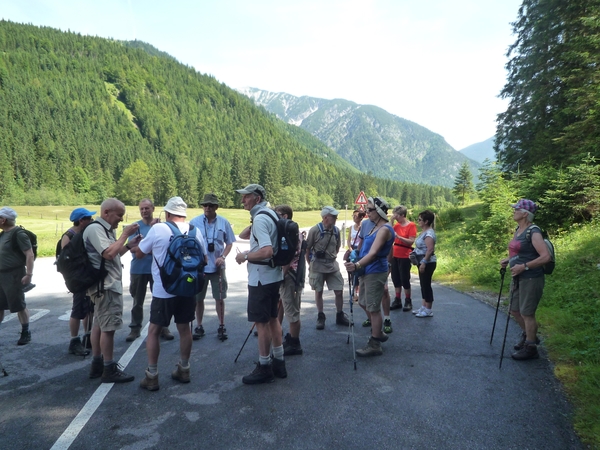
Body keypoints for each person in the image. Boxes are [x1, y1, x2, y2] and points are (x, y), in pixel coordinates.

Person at [134, 196, 207, 390]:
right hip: (187, 289)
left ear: (167, 213)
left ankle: (152, 375)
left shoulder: (158, 229)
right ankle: (184, 369)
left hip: (163, 290)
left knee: (154, 331)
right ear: (183, 214)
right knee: (185, 329)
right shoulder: (195, 231)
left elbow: (140, 253)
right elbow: (204, 260)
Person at [85, 198, 141, 383]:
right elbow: (108, 254)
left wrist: (127, 246)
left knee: (99, 325)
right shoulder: (95, 229)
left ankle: (97, 364)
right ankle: (108, 369)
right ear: (106, 212)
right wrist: (124, 235)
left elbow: (112, 253)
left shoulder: (105, 230)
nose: (120, 219)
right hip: (107, 287)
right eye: (119, 215)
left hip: (105, 286)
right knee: (108, 329)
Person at [234, 184, 286, 385]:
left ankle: (264, 366)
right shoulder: (269, 214)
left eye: (246, 197)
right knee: (273, 319)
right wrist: (254, 220)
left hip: (260, 279)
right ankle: (279, 362)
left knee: (262, 323)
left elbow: (267, 251)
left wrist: (245, 255)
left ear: (256, 198)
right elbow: (244, 235)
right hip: (273, 276)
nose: (242, 201)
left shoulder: (262, 218)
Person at [500, 199, 550, 361]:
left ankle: (531, 347)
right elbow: (519, 251)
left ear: (524, 214)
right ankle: (529, 335)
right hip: (517, 276)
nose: (513, 211)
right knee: (514, 310)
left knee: (527, 312)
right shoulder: (518, 229)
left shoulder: (533, 231)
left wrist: (524, 267)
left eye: (516, 209)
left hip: (531, 278)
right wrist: (509, 260)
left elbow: (545, 257)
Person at [344, 197, 394, 356]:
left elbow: (373, 254)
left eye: (370, 210)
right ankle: (378, 332)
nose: (366, 212)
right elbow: (363, 246)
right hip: (366, 270)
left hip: (375, 270)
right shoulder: (373, 226)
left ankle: (375, 343)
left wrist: (357, 265)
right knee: (364, 302)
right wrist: (353, 255)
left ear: (379, 212)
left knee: (372, 307)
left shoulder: (384, 229)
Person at [126, 199, 173, 342]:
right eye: (141, 209)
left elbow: (166, 247)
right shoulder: (134, 228)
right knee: (137, 301)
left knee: (161, 299)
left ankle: (163, 327)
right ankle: (135, 328)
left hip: (157, 270)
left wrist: (144, 247)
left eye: (147, 208)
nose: (144, 211)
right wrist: (150, 247)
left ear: (153, 208)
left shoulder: (162, 227)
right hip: (138, 269)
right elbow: (132, 249)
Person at [190, 193, 236, 341]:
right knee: (198, 299)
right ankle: (199, 325)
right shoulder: (194, 222)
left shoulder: (224, 222)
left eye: (210, 205)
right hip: (200, 268)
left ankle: (222, 325)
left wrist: (222, 257)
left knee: (220, 298)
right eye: (205, 205)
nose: (207, 208)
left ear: (216, 207)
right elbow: (189, 243)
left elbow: (229, 243)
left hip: (218, 268)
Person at [306, 206, 349, 330]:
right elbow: (307, 249)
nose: (336, 218)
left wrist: (331, 257)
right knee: (318, 291)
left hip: (332, 265)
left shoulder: (336, 230)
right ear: (325, 217)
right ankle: (321, 316)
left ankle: (339, 315)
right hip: (318, 265)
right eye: (333, 216)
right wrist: (310, 264)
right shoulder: (315, 230)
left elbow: (337, 247)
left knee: (339, 290)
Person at [62, 207, 96, 356]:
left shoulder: (83, 233)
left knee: (88, 308)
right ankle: (74, 341)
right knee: (77, 310)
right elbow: (66, 260)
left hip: (86, 277)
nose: (92, 220)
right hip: (78, 279)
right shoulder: (68, 236)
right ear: (81, 221)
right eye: (89, 218)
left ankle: (87, 336)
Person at [0, 207, 34, 346]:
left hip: (14, 274)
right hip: (1, 275)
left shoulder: (18, 234)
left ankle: (25, 332)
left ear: (4, 220)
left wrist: (29, 274)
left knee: (18, 304)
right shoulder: (2, 235)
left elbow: (29, 254)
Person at [274, 204, 304, 356]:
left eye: (277, 214)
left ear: (285, 216)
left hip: (290, 275)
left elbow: (289, 257)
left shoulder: (290, 233)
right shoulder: (288, 231)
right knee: (283, 305)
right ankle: (286, 336)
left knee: (292, 310)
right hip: (289, 275)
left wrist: (281, 275)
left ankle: (294, 343)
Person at [389, 205, 417, 312]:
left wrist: (399, 237)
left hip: (405, 254)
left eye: (396, 215)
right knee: (395, 278)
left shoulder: (411, 226)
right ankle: (397, 299)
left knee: (404, 278)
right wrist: (391, 221)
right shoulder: (396, 225)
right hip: (395, 254)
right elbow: (389, 233)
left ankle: (408, 300)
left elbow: (411, 241)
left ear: (402, 215)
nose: (395, 218)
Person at [412, 210, 437, 318]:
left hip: (427, 262)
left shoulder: (429, 234)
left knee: (426, 285)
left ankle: (428, 309)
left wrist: (424, 263)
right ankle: (424, 306)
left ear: (426, 221)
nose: (418, 221)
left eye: (420, 220)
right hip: (421, 261)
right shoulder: (424, 232)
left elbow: (430, 250)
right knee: (423, 284)